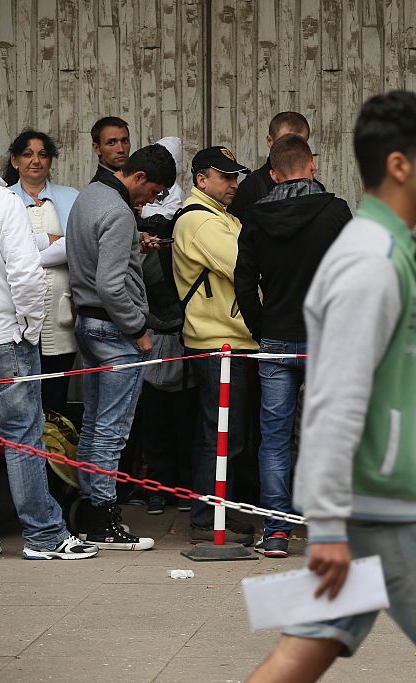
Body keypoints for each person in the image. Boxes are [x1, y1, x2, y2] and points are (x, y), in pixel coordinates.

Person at [248, 90, 416, 683]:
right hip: (397, 507)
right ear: (398, 166)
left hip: (383, 499)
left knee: (303, 655)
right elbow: (334, 396)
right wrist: (329, 526)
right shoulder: (369, 261)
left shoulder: (388, 250)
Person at [0, 117, 98, 561]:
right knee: (24, 437)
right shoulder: (0, 201)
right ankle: (44, 536)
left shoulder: (5, 198)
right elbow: (26, 276)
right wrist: (30, 330)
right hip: (0, 338)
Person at [235, 134, 352, 557]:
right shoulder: (336, 212)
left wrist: (260, 327)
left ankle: (277, 531)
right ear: (313, 166)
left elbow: (243, 281)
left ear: (272, 174)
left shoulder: (255, 216)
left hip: (277, 338)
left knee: (275, 437)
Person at [67, 142, 176, 550]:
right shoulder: (116, 210)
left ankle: (90, 513)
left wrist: (133, 243)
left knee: (95, 425)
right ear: (139, 178)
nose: (149, 203)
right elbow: (111, 284)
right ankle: (102, 523)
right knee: (112, 432)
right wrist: (138, 331)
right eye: (152, 193)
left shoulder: (89, 196)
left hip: (89, 325)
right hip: (114, 330)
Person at [172, 145, 257, 546]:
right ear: (201, 179)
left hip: (230, 339)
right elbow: (245, 266)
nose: (233, 183)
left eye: (235, 176)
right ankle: (206, 518)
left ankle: (219, 510)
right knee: (219, 432)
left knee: (229, 432)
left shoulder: (221, 217)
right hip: (217, 342)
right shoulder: (201, 222)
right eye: (225, 176)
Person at [135, 136, 195, 516]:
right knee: (154, 410)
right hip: (152, 323)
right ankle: (158, 486)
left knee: (185, 412)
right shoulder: (132, 210)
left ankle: (184, 485)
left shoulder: (188, 211)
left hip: (184, 325)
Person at [4, 130, 79, 415]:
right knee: (20, 404)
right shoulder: (3, 199)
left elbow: (80, 246)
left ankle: (54, 460)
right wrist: (51, 243)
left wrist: (27, 255)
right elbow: (0, 255)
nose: (35, 161)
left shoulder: (70, 197)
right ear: (14, 160)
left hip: (62, 317)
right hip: (15, 319)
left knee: (56, 401)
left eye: (42, 154)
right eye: (27, 154)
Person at [229, 112, 311, 222]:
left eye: (300, 143)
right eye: (285, 143)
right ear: (269, 141)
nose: (293, 150)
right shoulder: (250, 189)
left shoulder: (316, 189)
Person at [89, 116, 131, 184]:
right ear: (97, 148)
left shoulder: (134, 178)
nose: (121, 149)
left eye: (124, 141)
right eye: (111, 143)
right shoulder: (99, 188)